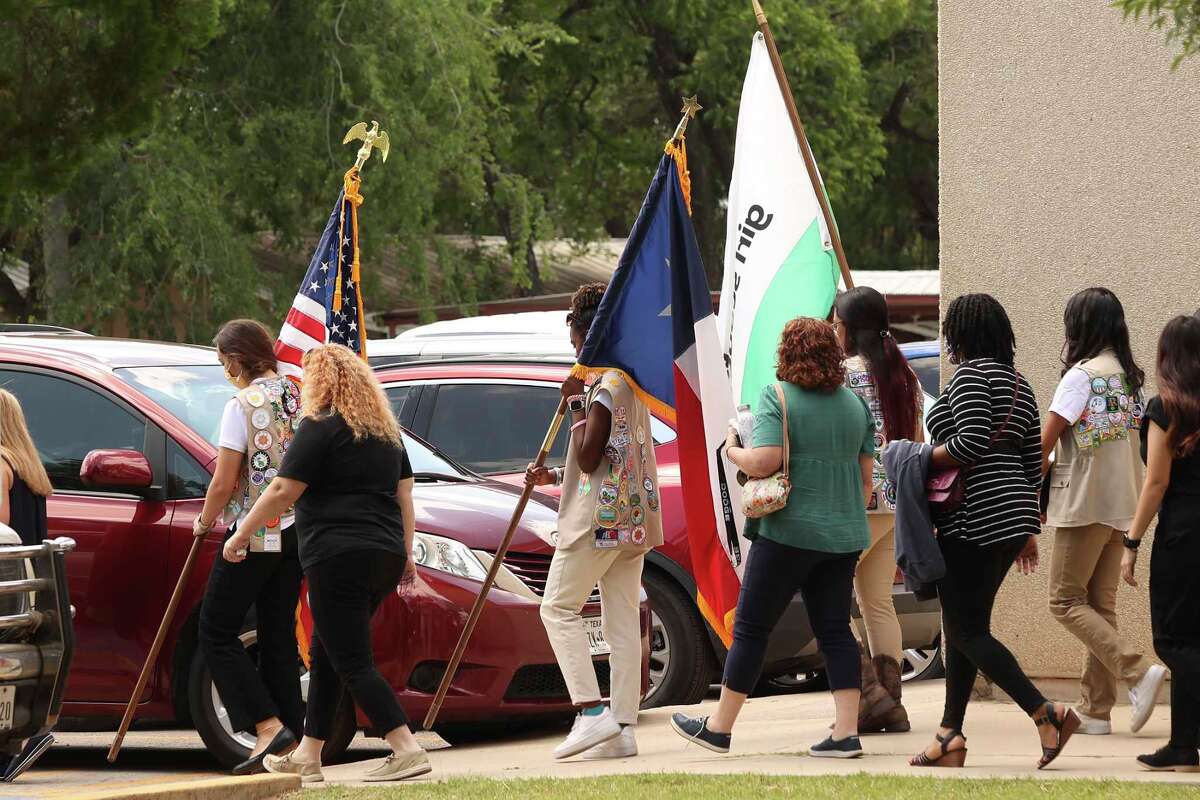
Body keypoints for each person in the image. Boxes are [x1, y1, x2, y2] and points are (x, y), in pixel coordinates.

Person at [670, 317, 873, 759]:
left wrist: (731, 448)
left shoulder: (776, 396)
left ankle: (720, 728)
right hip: (843, 535)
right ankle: (846, 732)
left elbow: (764, 462)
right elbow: (865, 483)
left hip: (788, 532)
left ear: (787, 353)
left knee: (751, 628)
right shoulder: (855, 405)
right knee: (836, 630)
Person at [235, 344, 430, 784]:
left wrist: (243, 533)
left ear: (320, 383)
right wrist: (407, 552)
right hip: (384, 553)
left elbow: (284, 488)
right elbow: (405, 496)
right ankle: (309, 754)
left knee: (352, 660)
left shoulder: (318, 426)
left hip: (338, 553)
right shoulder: (386, 434)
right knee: (327, 652)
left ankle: (406, 746)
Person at [914, 293, 1078, 770]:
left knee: (964, 627)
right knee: (965, 627)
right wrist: (1026, 527)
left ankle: (1045, 712)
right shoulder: (1019, 384)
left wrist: (917, 456)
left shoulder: (970, 377)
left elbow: (966, 444)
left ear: (961, 334)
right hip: (1009, 521)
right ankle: (949, 735)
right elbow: (1033, 462)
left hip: (971, 518)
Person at [525, 283, 664, 760]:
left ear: (589, 335)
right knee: (622, 620)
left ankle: (588, 712)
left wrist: (576, 405)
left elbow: (589, 458)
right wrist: (554, 474)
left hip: (598, 521)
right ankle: (622, 727)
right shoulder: (632, 380)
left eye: (575, 343)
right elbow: (606, 458)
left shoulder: (604, 385)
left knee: (556, 609)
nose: (575, 353)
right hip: (634, 517)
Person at [1041, 288, 1165, 735]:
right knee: (1099, 604)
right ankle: (1095, 710)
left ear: (1080, 327)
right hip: (1124, 506)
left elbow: (1045, 443)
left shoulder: (1080, 376)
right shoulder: (1130, 379)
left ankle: (1135, 669)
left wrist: (1026, 497)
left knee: (1062, 600)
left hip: (1084, 505)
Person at [194, 320, 305, 774]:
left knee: (216, 630)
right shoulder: (296, 394)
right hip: (300, 526)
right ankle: (290, 738)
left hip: (255, 529)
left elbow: (223, 481)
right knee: (277, 629)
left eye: (224, 362)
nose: (225, 371)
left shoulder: (241, 405)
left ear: (238, 359)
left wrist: (205, 522)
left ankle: (264, 724)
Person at [833, 287, 924, 733]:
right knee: (878, 603)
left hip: (857, 501)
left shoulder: (842, 374)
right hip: (899, 503)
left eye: (836, 322)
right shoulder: (905, 375)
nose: (834, 330)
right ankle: (892, 701)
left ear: (847, 328)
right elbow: (918, 442)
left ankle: (872, 697)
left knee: (829, 605)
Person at [1121, 315, 1200, 772]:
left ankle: (1186, 742)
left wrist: (1132, 541)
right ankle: (1184, 744)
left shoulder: (1165, 406)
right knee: (1194, 636)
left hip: (1183, 534)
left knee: (1173, 639)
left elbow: (1156, 482)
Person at [0, 388, 55, 780]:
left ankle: (7, 750)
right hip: (32, 581)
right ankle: (25, 737)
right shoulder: (28, 465)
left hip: (6, 581)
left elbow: (1, 532)